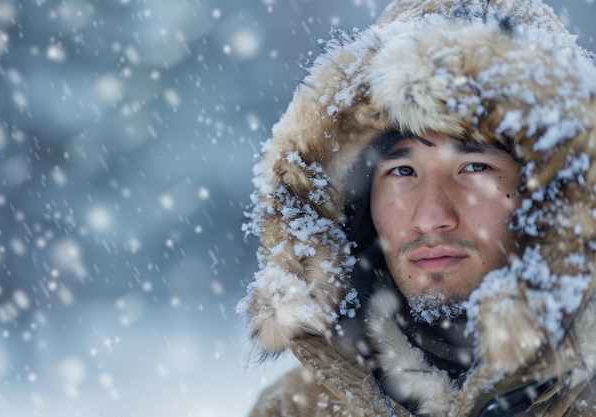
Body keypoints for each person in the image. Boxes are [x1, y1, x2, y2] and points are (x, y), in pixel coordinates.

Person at [237, 0, 596, 415]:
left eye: (474, 166)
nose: (430, 216)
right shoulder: (294, 409)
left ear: (555, 195)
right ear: (358, 199)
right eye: (403, 170)